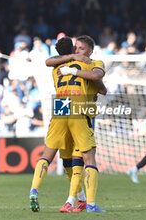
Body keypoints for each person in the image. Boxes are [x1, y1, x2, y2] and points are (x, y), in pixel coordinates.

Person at [29, 36, 106, 213]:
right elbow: (101, 87)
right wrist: (76, 70)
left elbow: (48, 61)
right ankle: (89, 204)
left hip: (60, 109)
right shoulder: (92, 64)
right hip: (79, 110)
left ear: (89, 50)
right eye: (75, 48)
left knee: (57, 157)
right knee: (86, 157)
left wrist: (71, 67)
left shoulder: (58, 66)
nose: (77, 51)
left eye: (80, 48)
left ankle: (69, 198)